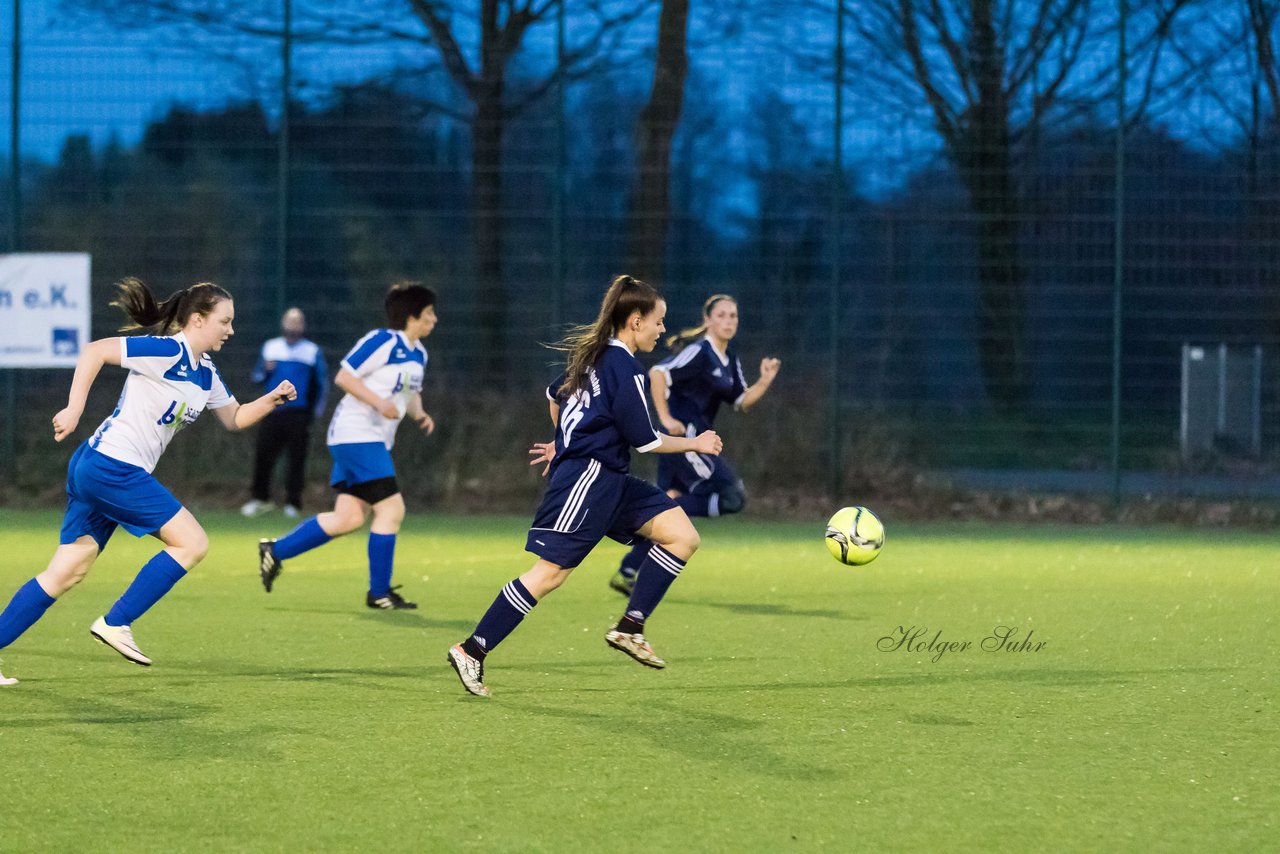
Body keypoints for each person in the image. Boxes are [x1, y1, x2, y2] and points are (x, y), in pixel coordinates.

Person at [0, 278, 297, 685]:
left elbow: (234, 417)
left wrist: (272, 399)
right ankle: (116, 622)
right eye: (224, 321)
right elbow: (95, 351)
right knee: (192, 543)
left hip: (101, 468)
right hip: (111, 467)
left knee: (65, 573)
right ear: (197, 319)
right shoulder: (167, 350)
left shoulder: (205, 373)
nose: (230, 330)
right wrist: (73, 409)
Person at [446, 274, 723, 698]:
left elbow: (554, 395)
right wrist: (697, 442)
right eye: (659, 321)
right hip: (588, 480)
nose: (662, 330)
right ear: (634, 321)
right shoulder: (625, 368)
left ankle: (630, 627)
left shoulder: (593, 358)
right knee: (550, 574)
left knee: (682, 536)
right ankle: (472, 649)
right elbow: (646, 440)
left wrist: (563, 438)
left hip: (609, 478)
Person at [257, 283, 437, 610]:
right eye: (428, 314)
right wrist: (380, 403)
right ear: (411, 316)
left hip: (370, 440)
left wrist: (419, 413)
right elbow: (345, 377)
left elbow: (410, 393)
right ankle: (379, 593)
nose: (434, 320)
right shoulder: (382, 341)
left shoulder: (418, 353)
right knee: (392, 509)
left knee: (349, 517)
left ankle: (275, 551)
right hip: (355, 434)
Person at [608, 293, 780, 595]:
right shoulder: (700, 352)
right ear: (708, 320)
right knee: (732, 496)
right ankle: (636, 540)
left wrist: (764, 381)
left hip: (696, 442)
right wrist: (666, 418)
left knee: (665, 505)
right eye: (723, 315)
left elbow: (741, 401)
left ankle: (628, 570)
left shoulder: (729, 359)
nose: (729, 321)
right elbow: (658, 373)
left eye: (733, 316)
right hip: (687, 441)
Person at [240, 307, 328, 519]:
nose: (293, 325)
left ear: (303, 325)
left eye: (298, 321)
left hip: (298, 413)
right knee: (263, 455)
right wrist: (266, 371)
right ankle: (260, 499)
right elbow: (257, 376)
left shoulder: (311, 351)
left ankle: (293, 503)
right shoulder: (270, 348)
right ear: (283, 323)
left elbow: (322, 383)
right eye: (290, 321)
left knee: (297, 459)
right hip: (271, 411)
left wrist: (315, 412)